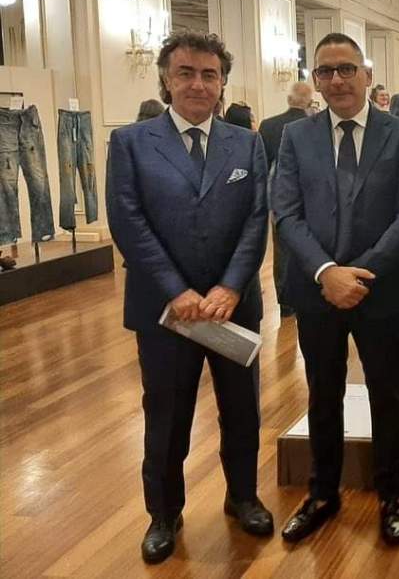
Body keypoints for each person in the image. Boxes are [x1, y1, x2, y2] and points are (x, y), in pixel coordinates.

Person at [106, 32, 272, 564]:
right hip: (165, 312)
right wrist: (176, 291)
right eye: (186, 73)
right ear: (166, 78)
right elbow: (128, 221)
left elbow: (256, 220)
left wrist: (231, 286)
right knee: (166, 415)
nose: (197, 84)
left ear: (222, 83)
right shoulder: (131, 143)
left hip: (232, 308)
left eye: (208, 74)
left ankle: (243, 496)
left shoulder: (246, 144)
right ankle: (163, 513)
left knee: (241, 411)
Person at [273, 33, 399, 546]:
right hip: (317, 289)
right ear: (315, 80)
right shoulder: (296, 137)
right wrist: (326, 272)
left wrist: (360, 272)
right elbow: (286, 212)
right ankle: (322, 493)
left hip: (380, 289)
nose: (336, 79)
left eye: (346, 69)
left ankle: (390, 495)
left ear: (366, 75)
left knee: (387, 393)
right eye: (325, 71)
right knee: (323, 393)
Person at [259, 81, 314, 318]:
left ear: (289, 99)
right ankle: (308, 294)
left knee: (281, 251)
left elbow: (261, 166)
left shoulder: (268, 125)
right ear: (309, 102)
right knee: (309, 245)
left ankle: (284, 304)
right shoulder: (314, 125)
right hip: (311, 198)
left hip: (278, 198)